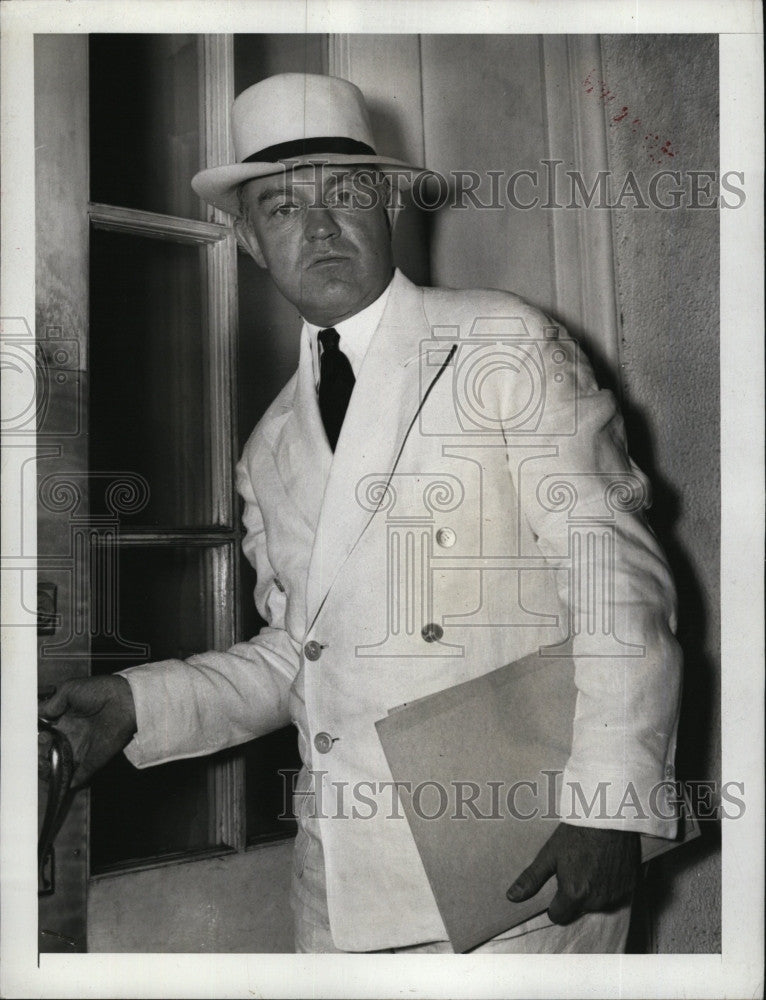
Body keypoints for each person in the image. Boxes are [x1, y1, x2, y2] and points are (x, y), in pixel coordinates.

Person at [39, 73, 683, 954]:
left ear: (386, 204)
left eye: (344, 193)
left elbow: (619, 581)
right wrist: (137, 703)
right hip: (343, 883)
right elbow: (304, 654)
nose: (317, 226)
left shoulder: (501, 341)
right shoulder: (269, 443)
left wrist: (611, 801)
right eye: (279, 206)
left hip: (524, 865)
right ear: (250, 243)